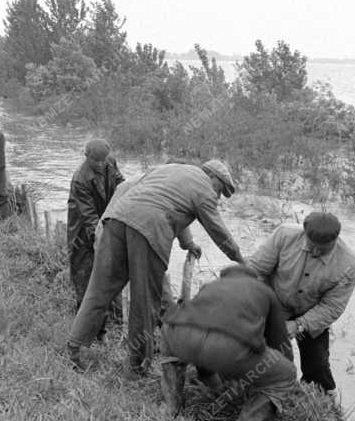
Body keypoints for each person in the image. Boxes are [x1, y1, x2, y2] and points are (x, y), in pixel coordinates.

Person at [67, 160, 245, 379]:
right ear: (213, 178)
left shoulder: (171, 170)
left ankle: (74, 350)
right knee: (144, 303)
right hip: (148, 230)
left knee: (98, 291)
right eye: (220, 190)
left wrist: (186, 242)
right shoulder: (205, 189)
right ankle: (136, 367)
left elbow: (164, 202)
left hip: (116, 219)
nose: (217, 197)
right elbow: (219, 233)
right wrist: (242, 261)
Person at [159, 263, 297, 421]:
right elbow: (280, 345)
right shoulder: (264, 291)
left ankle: (170, 407)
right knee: (286, 374)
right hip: (227, 346)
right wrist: (282, 379)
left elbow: (202, 329)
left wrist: (211, 379)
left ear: (224, 276)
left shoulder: (210, 287)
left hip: (174, 334)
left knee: (182, 351)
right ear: (254, 279)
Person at [247, 211, 355, 394]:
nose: (315, 252)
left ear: (336, 240)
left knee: (317, 363)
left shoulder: (350, 264)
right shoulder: (284, 235)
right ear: (304, 234)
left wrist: (299, 325)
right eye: (311, 246)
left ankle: (323, 396)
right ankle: (270, 386)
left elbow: (332, 307)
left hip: (312, 312)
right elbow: (256, 271)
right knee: (260, 351)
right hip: (275, 302)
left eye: (323, 249)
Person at [67, 138, 125, 321]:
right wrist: (103, 238)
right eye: (96, 161)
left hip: (105, 219)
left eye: (103, 160)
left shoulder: (110, 162)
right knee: (84, 272)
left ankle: (115, 314)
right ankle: (85, 318)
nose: (101, 164)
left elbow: (121, 184)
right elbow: (89, 216)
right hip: (82, 231)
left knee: (112, 269)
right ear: (87, 157)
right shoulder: (80, 179)